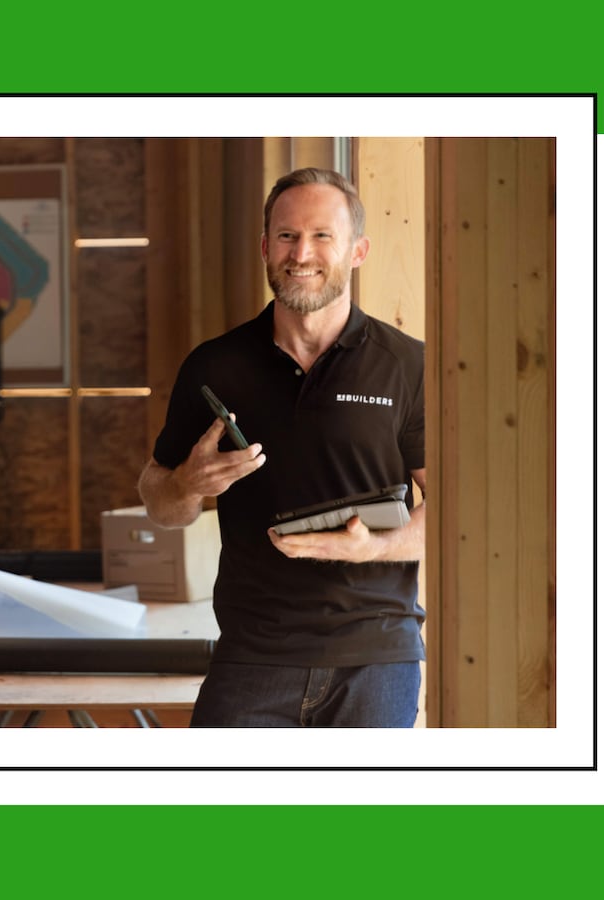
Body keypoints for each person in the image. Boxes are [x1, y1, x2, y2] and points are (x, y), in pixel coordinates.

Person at [138, 167, 427, 727]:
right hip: (252, 656)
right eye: (288, 236)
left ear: (358, 250)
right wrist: (186, 484)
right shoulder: (215, 366)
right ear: (265, 247)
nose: (303, 253)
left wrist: (371, 548)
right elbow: (159, 503)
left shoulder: (407, 366)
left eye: (323, 235)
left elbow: (459, 515)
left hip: (375, 659)